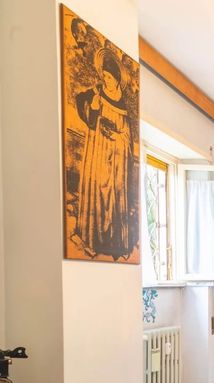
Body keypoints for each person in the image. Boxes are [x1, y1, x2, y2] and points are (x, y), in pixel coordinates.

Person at [74, 50, 133, 259]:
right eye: (104, 76)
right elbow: (87, 113)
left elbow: (127, 135)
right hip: (98, 150)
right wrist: (94, 109)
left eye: (109, 77)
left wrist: (116, 135)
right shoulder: (97, 93)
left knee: (113, 194)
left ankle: (113, 241)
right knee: (97, 191)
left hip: (115, 156)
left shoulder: (123, 106)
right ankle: (94, 237)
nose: (106, 80)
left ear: (117, 80)